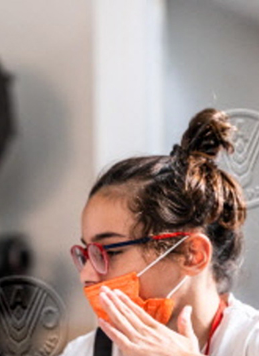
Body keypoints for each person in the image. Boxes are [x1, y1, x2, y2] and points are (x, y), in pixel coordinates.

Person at [62, 108, 259, 355]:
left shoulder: (250, 342)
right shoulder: (83, 351)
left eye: (110, 252)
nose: (86, 276)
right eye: (86, 254)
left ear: (192, 254)